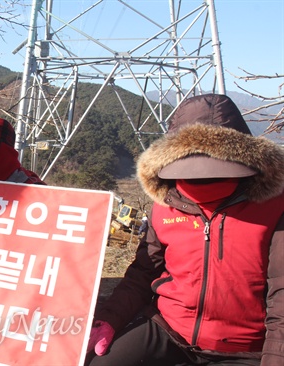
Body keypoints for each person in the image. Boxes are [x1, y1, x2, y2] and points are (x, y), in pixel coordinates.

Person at [87, 94, 284, 366]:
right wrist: (109, 319)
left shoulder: (274, 207)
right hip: (169, 329)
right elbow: (143, 272)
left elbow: (281, 296)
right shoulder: (166, 204)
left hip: (246, 347)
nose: (203, 178)